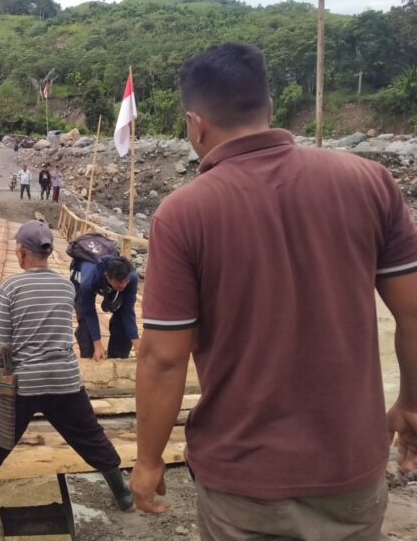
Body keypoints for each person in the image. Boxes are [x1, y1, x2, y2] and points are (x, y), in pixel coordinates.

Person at [131, 42, 417, 540]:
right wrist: (411, 402)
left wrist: (148, 460)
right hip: (352, 467)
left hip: (244, 482)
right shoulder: (370, 181)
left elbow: (163, 358)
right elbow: (414, 312)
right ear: (269, 109)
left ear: (195, 124)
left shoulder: (184, 213)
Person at [0, 221, 134, 540]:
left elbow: (2, 344)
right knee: (90, 437)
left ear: (22, 252)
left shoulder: (11, 287)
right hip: (64, 381)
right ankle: (123, 496)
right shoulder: (66, 287)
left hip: (21, 386)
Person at [73, 255, 139, 360]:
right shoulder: (88, 282)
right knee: (87, 326)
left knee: (122, 324)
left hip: (108, 284)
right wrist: (97, 344)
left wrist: (137, 346)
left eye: (126, 280)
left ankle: (117, 357)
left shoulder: (132, 278)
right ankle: (91, 358)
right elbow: (89, 312)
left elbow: (128, 312)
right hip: (81, 279)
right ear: (108, 277)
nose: (124, 285)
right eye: (120, 282)